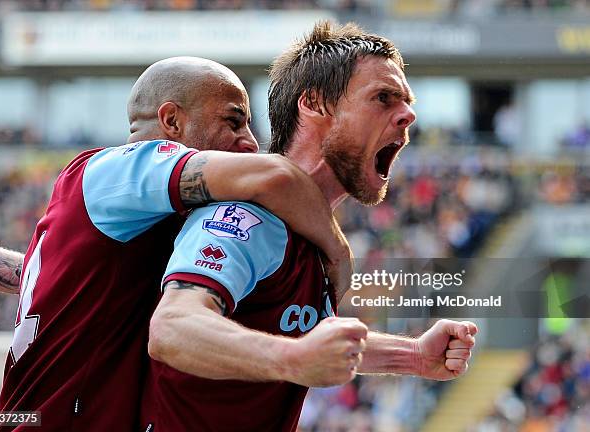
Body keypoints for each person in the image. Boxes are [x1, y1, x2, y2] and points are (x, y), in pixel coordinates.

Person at [141, 22, 478, 432]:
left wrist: (413, 357)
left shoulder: (313, 235)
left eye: (405, 101)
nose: (408, 115)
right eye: (383, 98)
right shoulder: (246, 218)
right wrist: (293, 361)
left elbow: (297, 330)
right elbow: (172, 328)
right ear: (315, 104)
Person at [0, 56, 352, 431]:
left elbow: (50, 277)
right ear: (172, 121)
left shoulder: (129, 225)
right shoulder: (119, 168)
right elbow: (276, 176)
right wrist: (338, 253)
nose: (250, 142)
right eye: (233, 120)